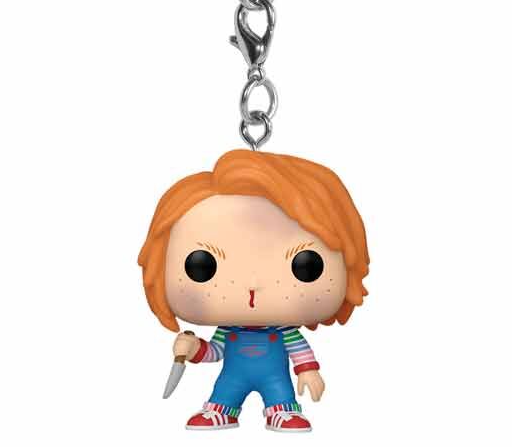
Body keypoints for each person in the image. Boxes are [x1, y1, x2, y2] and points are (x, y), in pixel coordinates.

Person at [138, 149, 369, 432]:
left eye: (305, 265)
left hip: (276, 378)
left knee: (280, 392)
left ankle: (282, 411)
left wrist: (308, 371)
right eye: (203, 266)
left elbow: (300, 352)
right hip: (231, 378)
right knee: (225, 390)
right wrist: (194, 347)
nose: (253, 283)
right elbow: (215, 352)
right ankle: (221, 410)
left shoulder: (286, 331)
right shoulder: (227, 330)